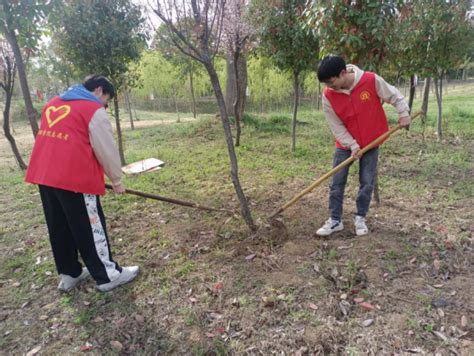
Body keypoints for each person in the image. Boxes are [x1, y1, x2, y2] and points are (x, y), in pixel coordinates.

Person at [25, 75, 139, 292]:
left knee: (59, 225)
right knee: (89, 226)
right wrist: (116, 180)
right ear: (98, 90)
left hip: (44, 174)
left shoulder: (53, 103)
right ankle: (108, 275)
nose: (104, 105)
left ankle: (70, 273)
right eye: (106, 100)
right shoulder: (92, 109)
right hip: (74, 178)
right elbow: (105, 148)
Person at [316, 55, 410, 237]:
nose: (329, 87)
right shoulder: (328, 96)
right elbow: (336, 125)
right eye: (326, 84)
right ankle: (335, 220)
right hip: (344, 145)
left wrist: (404, 113)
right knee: (336, 182)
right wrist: (351, 145)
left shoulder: (370, 80)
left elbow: (394, 95)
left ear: (343, 73)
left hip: (371, 141)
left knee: (367, 182)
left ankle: (360, 218)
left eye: (332, 82)